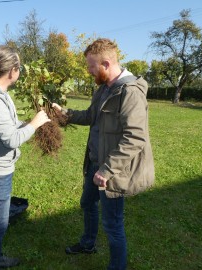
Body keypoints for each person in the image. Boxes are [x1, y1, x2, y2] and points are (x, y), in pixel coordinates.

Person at [52, 38, 154, 270]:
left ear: (106, 64)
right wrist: (63, 114)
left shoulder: (130, 93)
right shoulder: (103, 88)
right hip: (95, 164)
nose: (88, 71)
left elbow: (135, 137)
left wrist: (107, 171)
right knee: (87, 204)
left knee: (113, 225)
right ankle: (88, 243)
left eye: (91, 66)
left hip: (112, 172)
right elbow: (90, 116)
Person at [0, 45, 50, 270]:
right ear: (12, 71)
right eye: (19, 67)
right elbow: (12, 139)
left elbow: (8, 128)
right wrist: (35, 124)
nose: (20, 71)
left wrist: (27, 126)